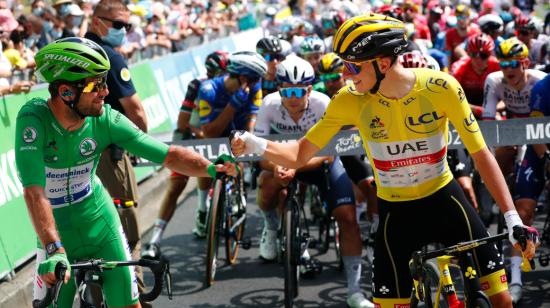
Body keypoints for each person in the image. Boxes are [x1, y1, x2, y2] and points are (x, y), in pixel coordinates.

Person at [230, 13, 538, 308]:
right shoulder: (349, 100)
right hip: (396, 213)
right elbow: (298, 154)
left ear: (383, 62)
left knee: (501, 300)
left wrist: (511, 218)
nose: (344, 75)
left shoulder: (440, 87)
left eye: (352, 66)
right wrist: (256, 143)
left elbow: (481, 153)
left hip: (446, 200)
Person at [17, 37, 236, 308]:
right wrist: (53, 248)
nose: (106, 92)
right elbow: (34, 190)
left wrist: (211, 168)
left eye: (105, 82)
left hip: (99, 221)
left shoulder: (106, 119)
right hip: (55, 236)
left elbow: (167, 154)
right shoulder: (34, 119)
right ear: (66, 92)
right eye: (96, 85)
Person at [254, 55, 373, 308]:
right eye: (288, 91)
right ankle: (271, 226)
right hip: (282, 163)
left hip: (319, 162)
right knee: (266, 181)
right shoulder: (268, 104)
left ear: (309, 89)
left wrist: (295, 166)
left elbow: (329, 152)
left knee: (348, 217)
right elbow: (259, 151)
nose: (294, 97)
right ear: (279, 89)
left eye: (300, 91)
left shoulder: (322, 103)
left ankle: (354, 290)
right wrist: (277, 166)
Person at [83, 0, 150, 305]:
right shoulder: (109, 57)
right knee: (126, 231)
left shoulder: (69, 50)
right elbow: (136, 113)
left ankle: (97, 298)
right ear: (97, 21)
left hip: (70, 158)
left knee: (89, 234)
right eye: (119, 24)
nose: (124, 31)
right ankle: (131, 295)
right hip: (109, 156)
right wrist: (139, 145)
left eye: (128, 26)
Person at [142, 50, 229, 258]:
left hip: (215, 135)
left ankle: (202, 208)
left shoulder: (229, 87)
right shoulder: (196, 86)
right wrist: (202, 137)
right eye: (220, 73)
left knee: (209, 172)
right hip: (192, 134)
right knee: (176, 185)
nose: (224, 78)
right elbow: (183, 124)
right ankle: (154, 240)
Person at [482, 37, 547, 303]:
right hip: (509, 131)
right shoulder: (494, 81)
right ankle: (498, 194)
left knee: (527, 210)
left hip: (538, 137)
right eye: (504, 63)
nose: (509, 69)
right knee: (497, 155)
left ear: (526, 63)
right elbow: (487, 119)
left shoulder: (539, 80)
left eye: (515, 64)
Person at [192, 50, 267, 237]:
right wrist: (232, 106)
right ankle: (202, 208)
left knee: (239, 153)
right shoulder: (208, 89)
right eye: (255, 79)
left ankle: (238, 189)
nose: (258, 83)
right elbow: (210, 133)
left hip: (240, 128)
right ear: (243, 78)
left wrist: (246, 140)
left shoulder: (254, 88)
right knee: (206, 160)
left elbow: (252, 118)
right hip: (215, 130)